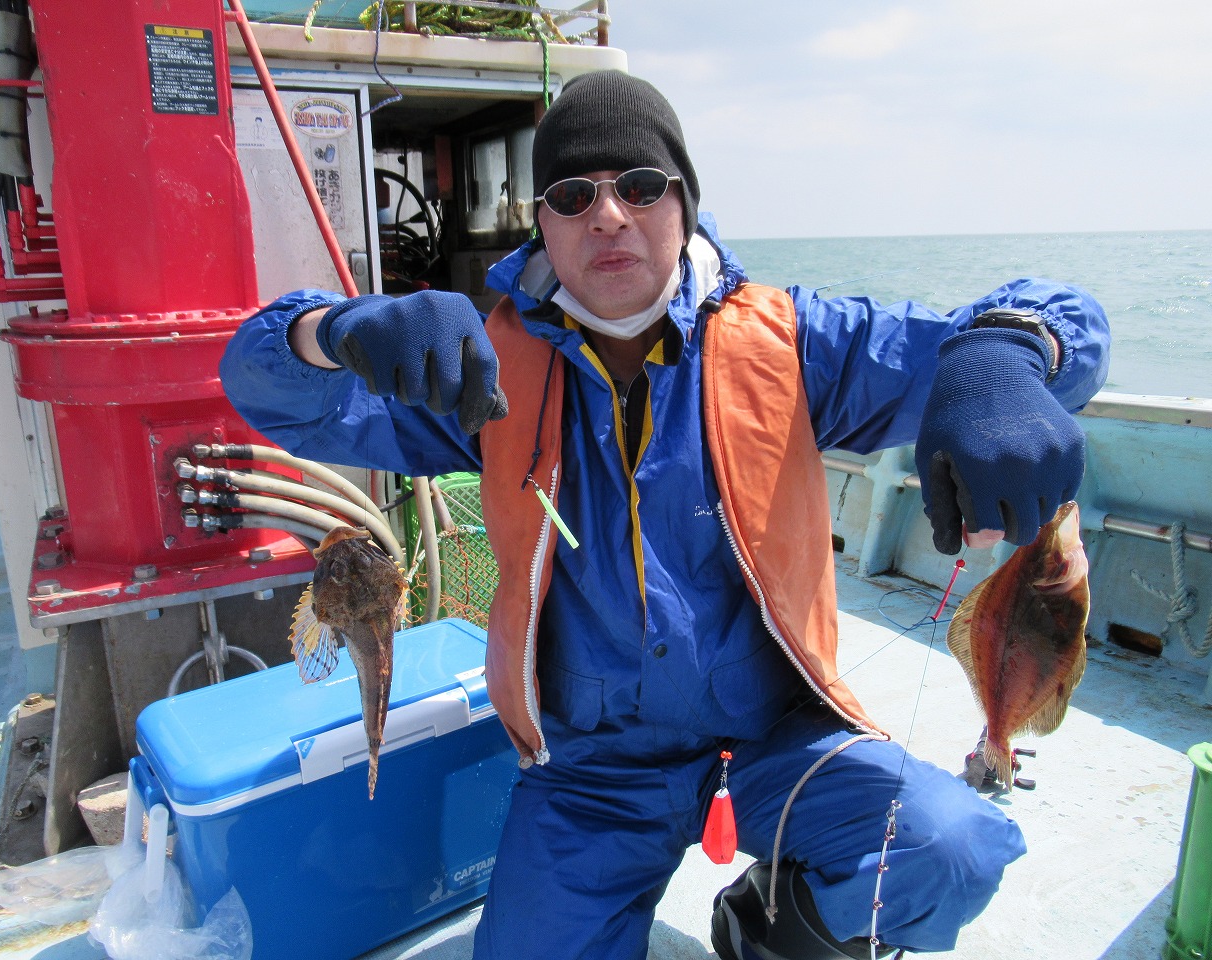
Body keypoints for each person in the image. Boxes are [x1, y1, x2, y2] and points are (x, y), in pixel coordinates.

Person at [220, 70, 1109, 960]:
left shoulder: (797, 341)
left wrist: (1004, 355)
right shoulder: (483, 369)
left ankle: (767, 926)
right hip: (590, 774)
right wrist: (330, 332)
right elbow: (272, 395)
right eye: (574, 195)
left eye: (640, 187)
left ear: (684, 203)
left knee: (952, 851)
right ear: (543, 222)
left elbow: (1053, 319)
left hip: (775, 740)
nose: (608, 214)